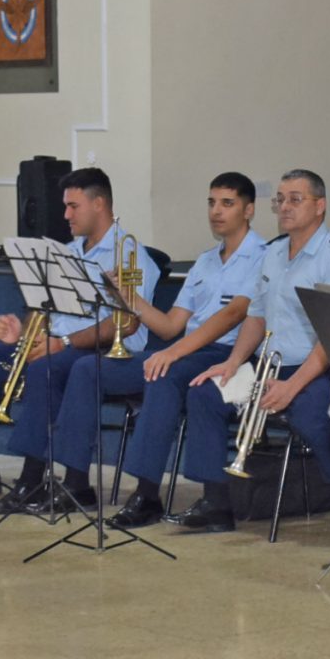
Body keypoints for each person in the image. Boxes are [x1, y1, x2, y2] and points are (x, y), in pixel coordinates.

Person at [174, 170, 330, 533]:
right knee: (205, 393)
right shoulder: (274, 253)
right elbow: (256, 316)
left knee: (310, 413)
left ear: (320, 206)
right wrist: (232, 363)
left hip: (318, 368)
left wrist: (291, 386)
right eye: (280, 199)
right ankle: (216, 503)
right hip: (267, 365)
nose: (284, 206)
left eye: (296, 199)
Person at [0, 167, 139, 509]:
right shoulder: (66, 252)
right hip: (54, 343)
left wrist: (65, 343)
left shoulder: (128, 253)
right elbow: (41, 308)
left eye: (73, 206)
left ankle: (33, 479)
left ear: (99, 204)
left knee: (43, 369)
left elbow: (126, 323)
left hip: (97, 349)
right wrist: (23, 330)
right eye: (65, 206)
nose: (65, 215)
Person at [102, 174, 268, 528]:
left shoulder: (262, 256)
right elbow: (169, 326)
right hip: (189, 350)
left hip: (229, 352)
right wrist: (127, 297)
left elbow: (234, 314)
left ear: (249, 210)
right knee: (89, 369)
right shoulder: (205, 261)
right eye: (211, 202)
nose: (216, 211)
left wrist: (173, 353)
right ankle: (67, 482)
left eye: (227, 203)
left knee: (164, 374)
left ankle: (149, 496)